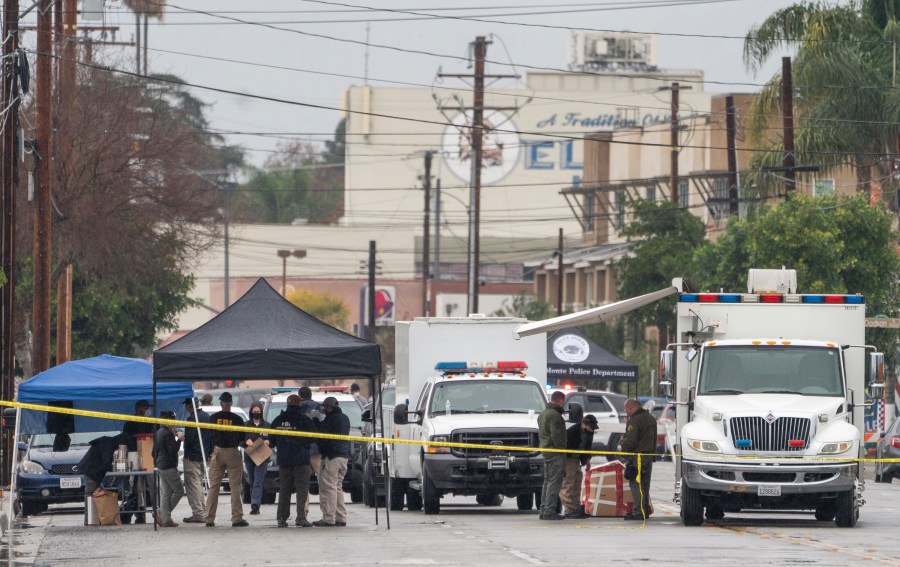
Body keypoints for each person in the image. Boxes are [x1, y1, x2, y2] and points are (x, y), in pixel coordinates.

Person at [270, 394, 318, 528]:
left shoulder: (278, 420)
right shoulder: (303, 419)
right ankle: (301, 517)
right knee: (302, 489)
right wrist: (303, 443)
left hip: (284, 460)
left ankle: (281, 518)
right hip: (300, 460)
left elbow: (272, 440)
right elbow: (314, 435)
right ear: (299, 405)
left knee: (285, 489)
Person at [204, 392, 250, 527]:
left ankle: (209, 518)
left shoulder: (213, 418)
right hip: (232, 452)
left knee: (214, 487)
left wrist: (208, 454)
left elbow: (209, 438)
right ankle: (236, 518)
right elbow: (243, 438)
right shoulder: (237, 419)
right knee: (235, 486)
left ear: (221, 403)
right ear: (230, 404)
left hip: (217, 452)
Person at [313, 396, 350, 527]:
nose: (324, 409)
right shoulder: (344, 418)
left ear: (329, 407)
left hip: (332, 456)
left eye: (325, 407)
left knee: (329, 486)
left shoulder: (331, 418)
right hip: (343, 456)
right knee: (337, 486)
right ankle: (341, 517)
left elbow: (321, 434)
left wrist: (316, 422)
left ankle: (329, 518)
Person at [620, 398, 657, 521]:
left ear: (630, 408)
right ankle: (644, 510)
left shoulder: (634, 421)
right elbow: (654, 438)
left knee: (635, 484)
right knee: (645, 485)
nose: (627, 413)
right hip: (648, 457)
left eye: (626, 410)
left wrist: (623, 447)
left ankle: (638, 512)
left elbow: (631, 441)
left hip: (637, 457)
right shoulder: (651, 418)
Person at [560, 414, 599, 519]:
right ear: (584, 424)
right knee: (568, 484)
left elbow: (588, 447)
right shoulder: (572, 432)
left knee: (577, 484)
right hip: (569, 459)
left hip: (577, 460)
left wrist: (587, 461)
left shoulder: (589, 432)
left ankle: (576, 508)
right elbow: (565, 448)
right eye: (591, 427)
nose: (592, 430)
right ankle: (569, 510)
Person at [122, 400, 154, 524]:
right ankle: (140, 515)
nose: (147, 411)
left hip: (150, 460)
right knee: (137, 489)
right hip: (134, 458)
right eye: (145, 408)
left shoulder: (151, 421)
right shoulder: (130, 423)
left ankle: (157, 514)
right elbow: (125, 439)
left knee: (152, 488)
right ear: (139, 409)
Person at [537, 390, 567, 521]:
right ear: (560, 400)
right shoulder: (555, 415)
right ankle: (549, 510)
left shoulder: (543, 414)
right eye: (563, 401)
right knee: (554, 482)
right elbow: (557, 436)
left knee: (547, 482)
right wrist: (562, 449)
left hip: (546, 452)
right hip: (555, 453)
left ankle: (543, 509)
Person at [182, 397, 212, 523]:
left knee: (194, 485)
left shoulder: (191, 419)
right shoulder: (207, 416)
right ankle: (204, 511)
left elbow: (190, 439)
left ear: (189, 406)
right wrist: (209, 454)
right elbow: (211, 437)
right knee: (199, 484)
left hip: (192, 457)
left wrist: (184, 439)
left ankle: (199, 513)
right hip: (204, 456)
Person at [154, 411, 184, 527]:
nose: (175, 423)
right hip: (169, 466)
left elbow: (154, 451)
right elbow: (173, 449)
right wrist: (179, 440)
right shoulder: (168, 433)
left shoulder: (159, 432)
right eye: (174, 420)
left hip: (161, 465)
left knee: (166, 493)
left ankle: (166, 519)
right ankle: (163, 514)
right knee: (179, 490)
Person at [298, 386, 324, 517]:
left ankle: (304, 510)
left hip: (301, 449)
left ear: (300, 396)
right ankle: (326, 510)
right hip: (316, 448)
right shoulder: (318, 407)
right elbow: (323, 423)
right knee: (322, 480)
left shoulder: (296, 408)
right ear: (310, 395)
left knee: (303, 481)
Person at [244, 401, 271, 515]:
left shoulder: (267, 426)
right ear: (251, 412)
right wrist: (246, 442)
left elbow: (274, 440)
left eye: (258, 412)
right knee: (252, 480)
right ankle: (254, 503)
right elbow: (240, 440)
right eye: (254, 412)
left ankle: (255, 504)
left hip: (262, 456)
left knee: (258, 481)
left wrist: (269, 441)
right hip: (249, 456)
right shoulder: (245, 425)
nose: (256, 413)